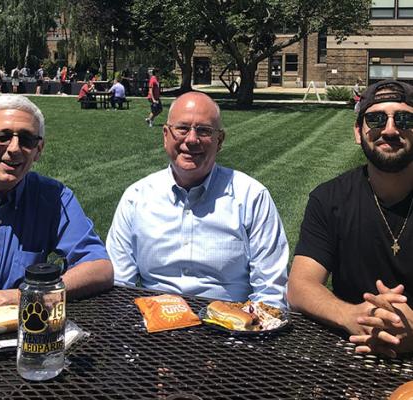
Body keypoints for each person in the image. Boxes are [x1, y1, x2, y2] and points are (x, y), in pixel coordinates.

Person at [0, 95, 113, 335]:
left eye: (26, 139)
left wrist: (27, 296)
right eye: (2, 136)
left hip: (21, 351)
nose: (14, 149)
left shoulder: (54, 198)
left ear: (38, 150)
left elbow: (100, 268)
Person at [107, 92, 288, 307]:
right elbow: (118, 285)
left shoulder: (251, 197)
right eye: (182, 128)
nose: (191, 139)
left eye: (203, 130)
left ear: (219, 141)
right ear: (166, 135)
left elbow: (271, 291)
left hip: (229, 327)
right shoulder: (136, 198)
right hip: (154, 327)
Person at [287, 79, 413, 358]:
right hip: (352, 350)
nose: (390, 129)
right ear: (359, 132)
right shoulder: (329, 199)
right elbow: (300, 286)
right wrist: (352, 315)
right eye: (376, 119)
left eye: (404, 119)